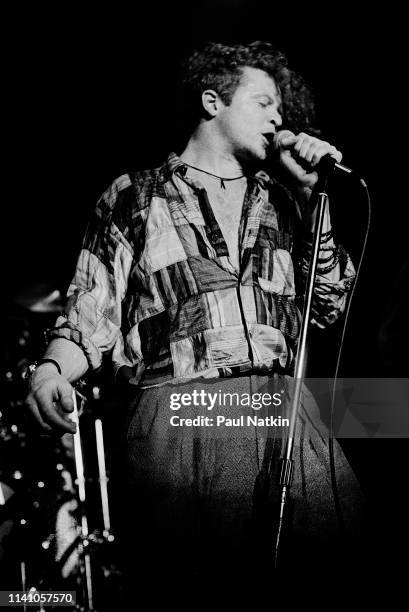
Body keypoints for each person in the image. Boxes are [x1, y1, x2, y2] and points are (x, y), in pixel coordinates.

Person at [26, 42, 364, 589]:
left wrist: (311, 203)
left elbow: (330, 307)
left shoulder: (284, 200)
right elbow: (91, 310)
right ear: (213, 102)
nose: (279, 119)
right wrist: (48, 372)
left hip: (286, 411)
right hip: (185, 411)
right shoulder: (134, 196)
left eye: (280, 109)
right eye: (263, 103)